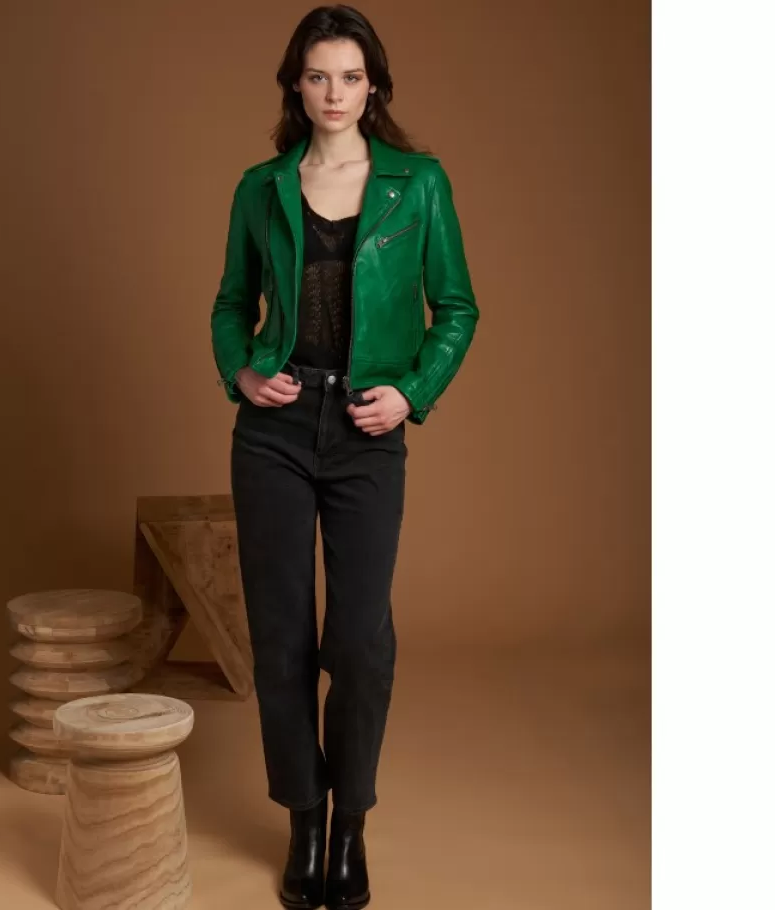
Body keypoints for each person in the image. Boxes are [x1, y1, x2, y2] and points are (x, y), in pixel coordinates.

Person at [210, 5, 479, 908]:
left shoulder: (418, 183)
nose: (335, 93)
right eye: (319, 75)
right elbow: (230, 304)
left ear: (374, 87)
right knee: (281, 637)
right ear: (296, 84)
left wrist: (413, 391)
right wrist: (241, 372)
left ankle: (352, 819)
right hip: (275, 434)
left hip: (368, 431)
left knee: (360, 642)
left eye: (351, 77)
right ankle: (305, 820)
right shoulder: (261, 187)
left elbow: (458, 307)